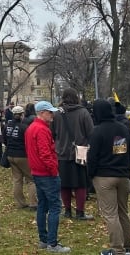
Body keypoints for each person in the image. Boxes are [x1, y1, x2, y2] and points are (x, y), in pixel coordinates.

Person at [87, 99, 130, 255]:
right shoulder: (123, 129)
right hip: (122, 175)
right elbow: (129, 151)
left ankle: (117, 249)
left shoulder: (97, 131)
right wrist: (126, 169)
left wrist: (90, 175)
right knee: (123, 212)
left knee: (110, 214)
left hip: (104, 176)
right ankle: (127, 246)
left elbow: (92, 156)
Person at [26, 101, 71, 253]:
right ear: (42, 113)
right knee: (54, 207)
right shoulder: (42, 129)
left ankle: (43, 239)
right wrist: (54, 170)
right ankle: (52, 243)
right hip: (46, 174)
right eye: (50, 112)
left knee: (43, 206)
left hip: (37, 172)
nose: (52, 114)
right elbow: (45, 154)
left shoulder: (32, 128)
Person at [51, 88, 95, 219]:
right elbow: (91, 132)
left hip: (61, 153)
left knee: (64, 184)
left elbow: (52, 133)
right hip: (80, 152)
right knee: (80, 184)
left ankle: (67, 211)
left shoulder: (57, 114)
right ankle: (80, 212)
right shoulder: (83, 112)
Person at [4, 105, 37, 209]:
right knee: (31, 179)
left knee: (17, 180)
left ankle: (20, 203)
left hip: (10, 154)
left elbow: (4, 139)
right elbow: (29, 142)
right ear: (22, 115)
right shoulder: (24, 127)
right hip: (22, 155)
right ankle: (33, 203)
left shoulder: (7, 126)